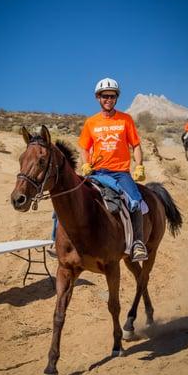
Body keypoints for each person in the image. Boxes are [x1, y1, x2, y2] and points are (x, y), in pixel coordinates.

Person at [78, 77, 148, 262]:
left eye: (112, 96)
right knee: (73, 195)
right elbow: (84, 147)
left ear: (116, 98)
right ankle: (61, 240)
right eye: (104, 96)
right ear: (98, 98)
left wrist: (139, 165)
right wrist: (86, 163)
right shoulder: (91, 122)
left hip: (120, 173)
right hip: (97, 172)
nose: (108, 99)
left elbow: (136, 145)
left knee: (135, 200)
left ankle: (138, 244)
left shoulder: (126, 120)